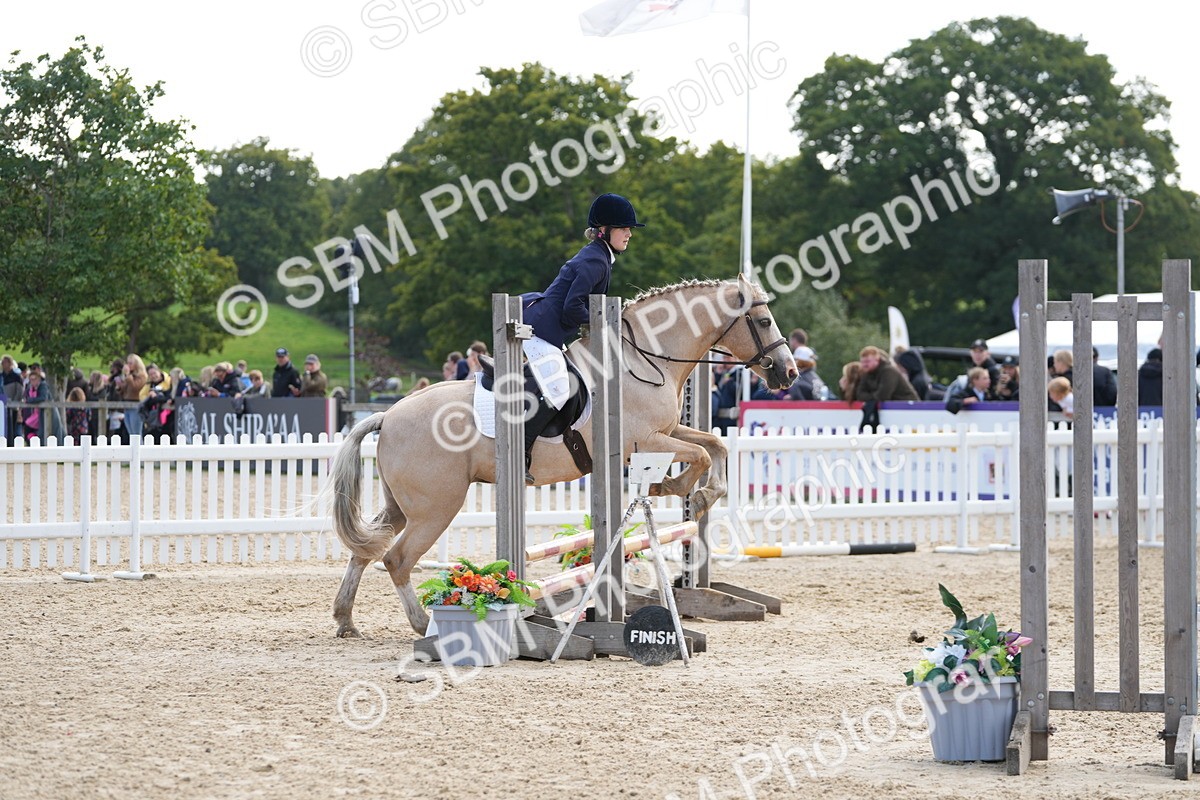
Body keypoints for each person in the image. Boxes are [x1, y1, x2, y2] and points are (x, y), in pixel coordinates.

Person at [518, 192, 643, 483]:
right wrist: (608, 321)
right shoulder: (595, 262)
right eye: (624, 228)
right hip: (542, 331)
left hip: (551, 330)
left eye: (629, 229)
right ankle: (520, 451)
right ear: (604, 230)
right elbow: (572, 307)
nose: (629, 234)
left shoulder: (599, 256)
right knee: (560, 389)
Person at [854, 345, 919, 402]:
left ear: (877, 360)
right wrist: (873, 396)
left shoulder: (889, 371)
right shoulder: (867, 373)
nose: (864, 365)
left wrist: (869, 396)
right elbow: (859, 394)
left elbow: (882, 396)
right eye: (862, 362)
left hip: (907, 407)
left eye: (867, 361)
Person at [121, 354, 148, 438]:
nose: (128, 366)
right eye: (127, 363)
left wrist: (128, 377)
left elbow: (135, 388)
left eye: (130, 363)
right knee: (131, 434)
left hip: (136, 406)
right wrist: (120, 387)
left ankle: (140, 450)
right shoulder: (130, 376)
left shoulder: (142, 376)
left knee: (136, 434)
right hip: (127, 405)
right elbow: (126, 391)